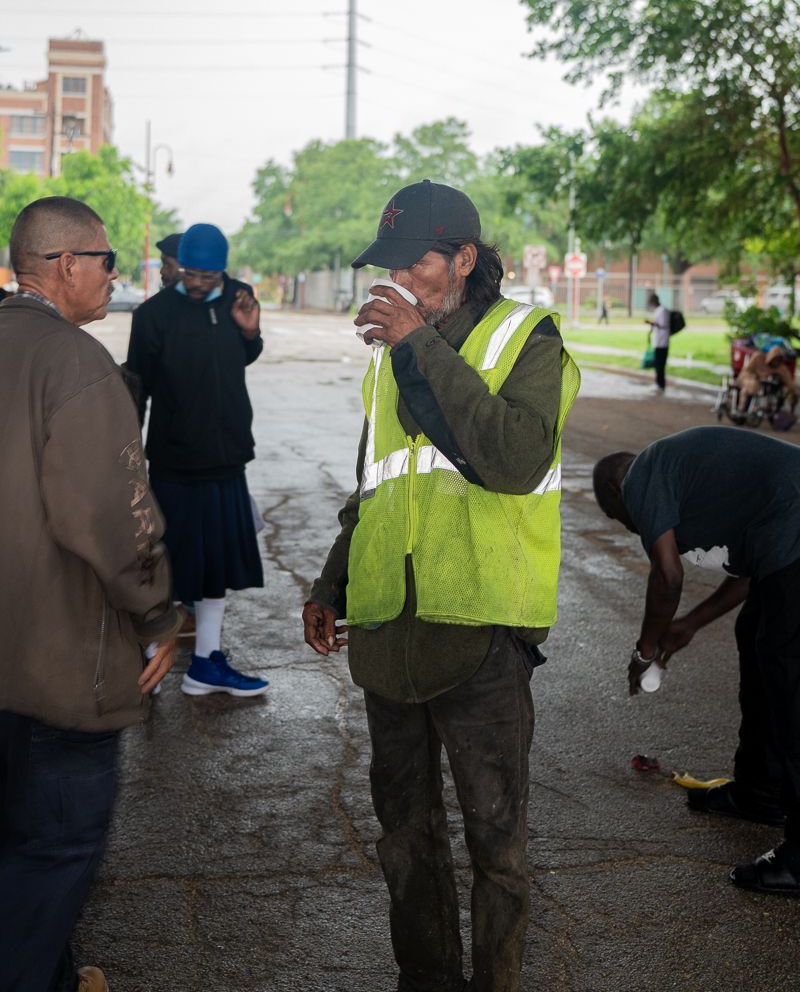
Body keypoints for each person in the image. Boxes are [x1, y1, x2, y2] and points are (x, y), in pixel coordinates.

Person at [302, 179, 581, 991]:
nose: (396, 280)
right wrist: (332, 584)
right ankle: (426, 979)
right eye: (390, 265)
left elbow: (512, 457)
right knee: (404, 835)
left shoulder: (526, 338)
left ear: (463, 259)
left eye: (413, 262)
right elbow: (380, 486)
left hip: (481, 631)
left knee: (497, 842)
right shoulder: (392, 358)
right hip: (391, 634)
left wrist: (420, 341)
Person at [0, 196, 180, 992]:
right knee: (54, 852)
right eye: (108, 260)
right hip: (55, 667)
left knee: (15, 847)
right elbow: (112, 516)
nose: (117, 275)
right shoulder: (75, 364)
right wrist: (158, 615)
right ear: (66, 265)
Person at [593, 426, 800, 895]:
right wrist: (689, 625)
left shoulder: (641, 475)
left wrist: (644, 651)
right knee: (758, 639)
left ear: (614, 491)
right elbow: (753, 572)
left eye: (626, 521)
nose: (637, 529)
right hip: (785, 537)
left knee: (790, 685)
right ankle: (760, 792)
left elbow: (668, 577)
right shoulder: (685, 477)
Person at [126, 223, 269, 697]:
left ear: (222, 269)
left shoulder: (239, 299)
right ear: (178, 266)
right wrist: (131, 462)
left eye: (209, 274)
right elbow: (138, 389)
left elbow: (240, 356)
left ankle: (205, 662)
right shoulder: (153, 315)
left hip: (226, 458)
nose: (200, 282)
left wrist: (252, 334)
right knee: (166, 567)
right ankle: (152, 660)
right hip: (174, 461)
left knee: (215, 567)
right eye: (191, 273)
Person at [736, 344, 799, 416]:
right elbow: (747, 370)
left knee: (789, 392)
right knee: (751, 386)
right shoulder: (758, 357)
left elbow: (789, 381)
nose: (776, 361)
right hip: (750, 379)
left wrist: (794, 391)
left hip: (765, 384)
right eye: (775, 359)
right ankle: (742, 408)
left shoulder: (781, 368)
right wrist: (756, 376)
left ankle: (784, 413)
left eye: (779, 359)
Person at [645, 292, 670, 391]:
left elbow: (663, 325)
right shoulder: (657, 311)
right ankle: (658, 383)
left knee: (660, 364)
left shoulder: (663, 311)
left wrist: (651, 323)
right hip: (657, 341)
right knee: (657, 364)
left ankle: (661, 384)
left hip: (663, 342)